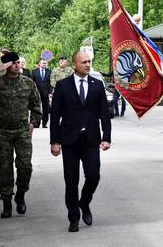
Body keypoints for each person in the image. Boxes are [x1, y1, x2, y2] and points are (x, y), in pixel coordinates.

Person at [50, 51, 111, 233]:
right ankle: (73, 217)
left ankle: (84, 202)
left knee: (93, 175)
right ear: (74, 65)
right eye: (83, 62)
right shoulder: (63, 85)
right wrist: (55, 141)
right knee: (71, 180)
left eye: (89, 62)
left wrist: (106, 137)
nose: (87, 65)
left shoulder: (97, 85)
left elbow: (104, 114)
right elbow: (54, 117)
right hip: (69, 140)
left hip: (91, 139)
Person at [0, 52, 42, 218]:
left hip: (22, 131)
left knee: (25, 166)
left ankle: (21, 193)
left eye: (18, 63)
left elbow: (36, 105)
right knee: (5, 168)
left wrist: (32, 123)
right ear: (7, 65)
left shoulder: (28, 83)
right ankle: (6, 202)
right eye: (13, 63)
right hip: (3, 131)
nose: (17, 65)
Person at [32, 59, 52, 128]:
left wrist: (50, 92)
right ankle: (37, 123)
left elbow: (50, 83)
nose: (44, 64)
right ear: (39, 64)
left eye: (45, 63)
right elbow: (32, 82)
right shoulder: (34, 71)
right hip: (37, 93)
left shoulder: (49, 71)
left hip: (46, 93)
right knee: (37, 108)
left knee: (45, 109)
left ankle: (44, 123)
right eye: (43, 63)